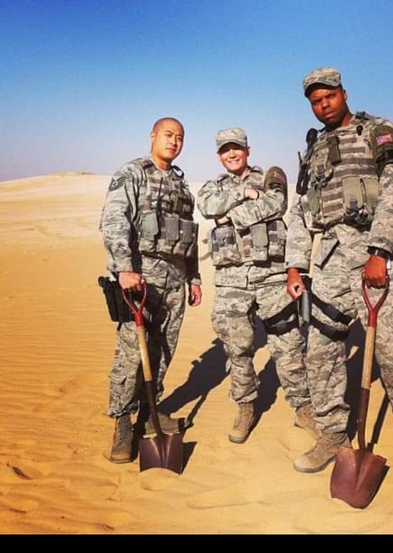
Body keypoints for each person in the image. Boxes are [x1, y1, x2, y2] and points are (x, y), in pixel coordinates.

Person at [285, 67, 393, 493]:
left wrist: (379, 251)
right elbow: (302, 211)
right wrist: (295, 265)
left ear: (344, 93)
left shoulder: (378, 131)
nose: (323, 104)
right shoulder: (313, 149)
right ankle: (331, 434)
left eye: (329, 96)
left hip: (380, 253)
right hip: (331, 259)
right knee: (320, 350)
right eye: (315, 100)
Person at [196, 128, 317, 444]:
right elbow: (207, 207)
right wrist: (243, 194)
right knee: (238, 348)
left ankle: (303, 407)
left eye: (236, 148)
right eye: (225, 150)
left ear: (248, 150)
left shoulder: (270, 178)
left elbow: (276, 204)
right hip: (230, 282)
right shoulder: (213, 187)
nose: (231, 154)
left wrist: (229, 217)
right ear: (219, 155)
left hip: (271, 276)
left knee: (288, 344)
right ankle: (246, 406)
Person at [99, 117, 202, 464]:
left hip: (174, 281)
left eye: (180, 137)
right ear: (153, 136)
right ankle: (122, 424)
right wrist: (124, 268)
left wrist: (194, 277)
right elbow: (114, 220)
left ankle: (149, 412)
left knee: (163, 351)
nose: (174, 142)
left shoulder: (181, 185)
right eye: (168, 135)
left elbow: (189, 234)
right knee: (132, 354)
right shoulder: (133, 173)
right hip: (141, 279)